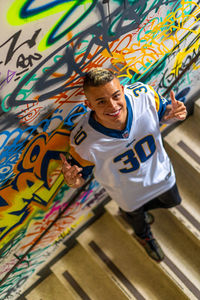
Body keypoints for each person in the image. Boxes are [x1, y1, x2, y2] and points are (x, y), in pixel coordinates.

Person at [60, 68, 187, 262]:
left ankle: (141, 215)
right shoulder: (83, 141)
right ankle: (143, 236)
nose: (112, 106)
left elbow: (163, 114)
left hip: (160, 173)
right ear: (89, 105)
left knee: (173, 201)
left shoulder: (144, 95)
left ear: (122, 89)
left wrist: (175, 113)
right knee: (137, 220)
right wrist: (72, 181)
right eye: (101, 101)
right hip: (126, 192)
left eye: (115, 95)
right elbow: (78, 179)